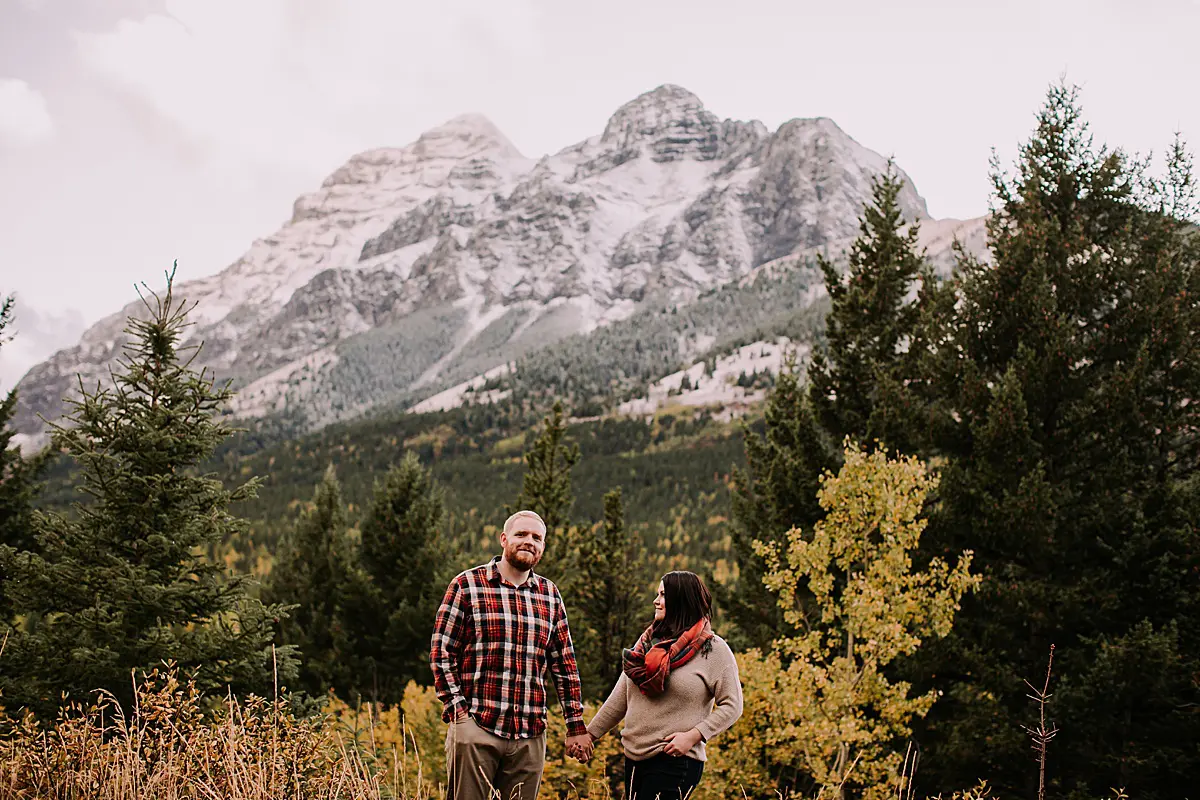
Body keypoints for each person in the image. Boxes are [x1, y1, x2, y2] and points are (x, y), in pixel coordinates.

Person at [430, 509, 593, 800]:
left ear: (542, 547)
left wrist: (575, 725)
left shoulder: (549, 594)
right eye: (521, 534)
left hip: (529, 734)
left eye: (537, 538)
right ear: (504, 539)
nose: (529, 541)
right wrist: (460, 716)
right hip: (477, 726)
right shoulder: (468, 585)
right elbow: (442, 653)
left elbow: (564, 665)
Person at [583, 571, 743, 800]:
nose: (655, 601)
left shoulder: (714, 650)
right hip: (634, 757)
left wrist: (693, 736)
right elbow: (622, 695)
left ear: (681, 600)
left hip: (677, 760)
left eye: (663, 595)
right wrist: (590, 734)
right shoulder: (648, 644)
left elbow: (733, 705)